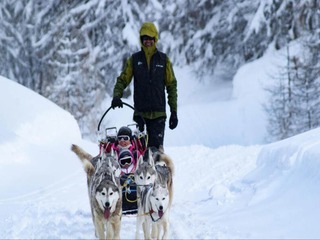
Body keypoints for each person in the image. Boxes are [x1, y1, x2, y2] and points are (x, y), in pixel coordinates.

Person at [111, 22, 178, 150]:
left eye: (150, 38)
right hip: (140, 114)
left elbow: (171, 86)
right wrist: (116, 96)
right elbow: (123, 79)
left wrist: (173, 112)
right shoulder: (135, 60)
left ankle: (158, 170)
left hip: (158, 115)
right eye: (145, 38)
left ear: (155, 39)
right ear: (141, 39)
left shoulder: (163, 60)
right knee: (139, 152)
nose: (148, 41)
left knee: (156, 153)